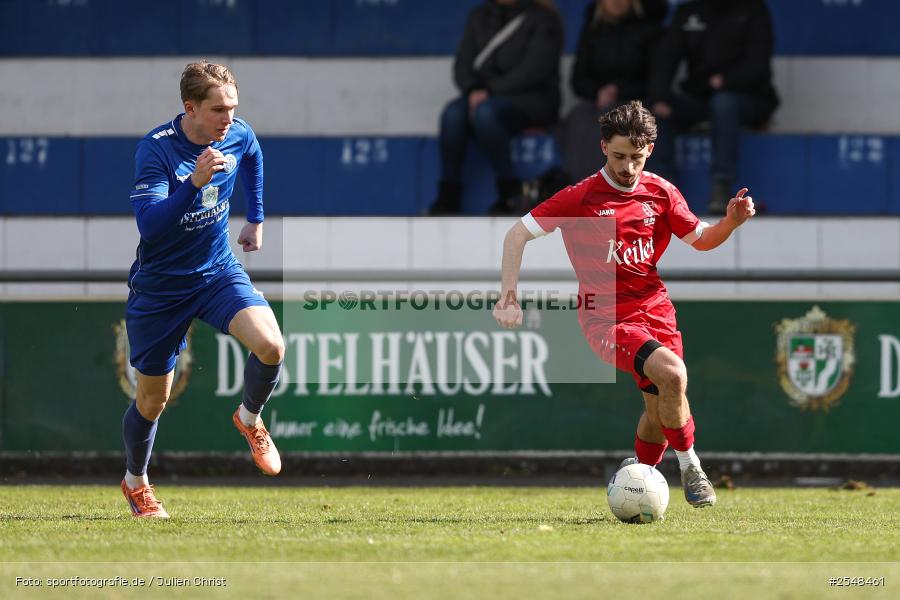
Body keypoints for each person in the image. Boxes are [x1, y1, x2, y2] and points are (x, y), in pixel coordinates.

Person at [492, 101, 756, 506]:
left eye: (636, 157)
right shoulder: (580, 197)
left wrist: (731, 223)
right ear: (603, 147)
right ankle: (692, 468)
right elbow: (517, 234)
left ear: (649, 149)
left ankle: (639, 480)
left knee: (659, 410)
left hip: (656, 311)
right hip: (606, 318)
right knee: (673, 375)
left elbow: (702, 239)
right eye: (618, 156)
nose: (627, 167)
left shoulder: (661, 192)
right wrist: (508, 296)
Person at [121, 61, 285, 518]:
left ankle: (249, 419)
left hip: (216, 273)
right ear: (189, 108)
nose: (228, 119)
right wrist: (194, 183)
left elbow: (252, 153)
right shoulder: (156, 150)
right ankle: (136, 482)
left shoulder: (235, 133)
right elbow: (151, 226)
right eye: (218, 110)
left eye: (233, 108)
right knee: (153, 400)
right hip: (161, 289)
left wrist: (255, 218)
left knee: (272, 346)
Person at [428, 0, 563, 216]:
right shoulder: (479, 15)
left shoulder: (543, 18)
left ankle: (509, 191)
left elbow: (534, 71)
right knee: (452, 114)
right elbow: (462, 65)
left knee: (486, 114)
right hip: (484, 95)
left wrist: (490, 91)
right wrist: (473, 88)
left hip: (532, 99)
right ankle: (448, 194)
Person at [646, 0, 778, 214]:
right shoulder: (688, 12)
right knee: (653, 110)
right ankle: (664, 193)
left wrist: (725, 81)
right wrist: (659, 97)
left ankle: (721, 186)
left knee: (723, 103)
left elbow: (758, 64)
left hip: (748, 97)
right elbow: (666, 58)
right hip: (700, 97)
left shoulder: (753, 9)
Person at [557, 0, 664, 183]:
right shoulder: (593, 28)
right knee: (578, 117)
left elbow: (656, 80)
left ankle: (606, 186)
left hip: (636, 102)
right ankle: (577, 185)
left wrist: (618, 91)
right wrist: (598, 92)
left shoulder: (650, 29)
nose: (616, 2)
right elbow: (578, 79)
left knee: (609, 123)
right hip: (597, 100)